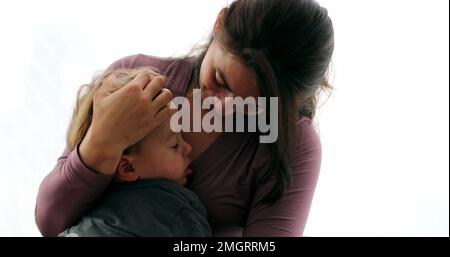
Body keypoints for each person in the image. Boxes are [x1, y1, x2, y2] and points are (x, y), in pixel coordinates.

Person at [36, 0, 334, 236]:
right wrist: (103, 140)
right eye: (220, 79)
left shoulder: (292, 144)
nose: (224, 107)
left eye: (253, 105)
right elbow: (50, 222)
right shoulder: (132, 82)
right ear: (219, 23)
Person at [58, 69, 211, 236]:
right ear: (128, 168)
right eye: (174, 144)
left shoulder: (88, 209)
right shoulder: (175, 210)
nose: (188, 147)